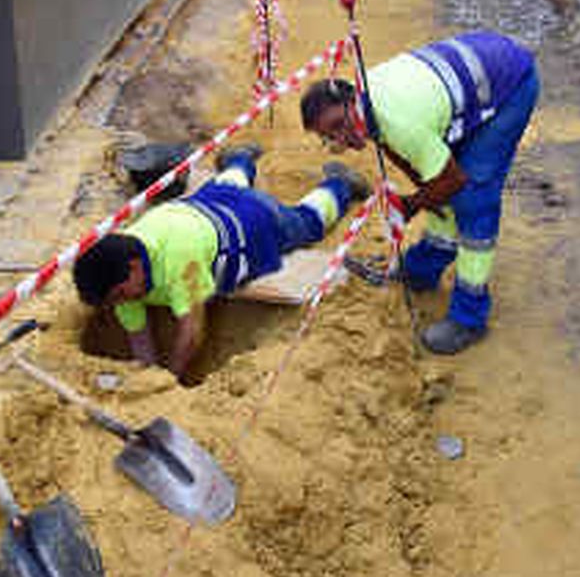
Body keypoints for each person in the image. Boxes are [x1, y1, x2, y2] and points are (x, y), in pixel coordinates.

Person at [299, 31, 539, 355]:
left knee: (473, 198)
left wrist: (414, 203)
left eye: (339, 125)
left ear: (350, 101)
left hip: (510, 84)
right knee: (438, 186)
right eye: (329, 136)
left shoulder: (397, 120)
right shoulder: (364, 101)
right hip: (475, 70)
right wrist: (427, 191)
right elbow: (401, 153)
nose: (340, 139)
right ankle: (422, 269)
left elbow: (452, 180)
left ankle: (469, 317)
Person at [73, 146, 369, 379]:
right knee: (226, 186)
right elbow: (140, 340)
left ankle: (340, 183)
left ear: (135, 266)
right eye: (115, 300)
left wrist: (170, 381)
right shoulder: (119, 272)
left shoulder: (179, 264)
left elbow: (191, 332)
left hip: (253, 222)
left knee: (306, 224)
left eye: (120, 295)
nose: (121, 302)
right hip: (205, 204)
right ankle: (239, 159)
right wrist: (147, 376)